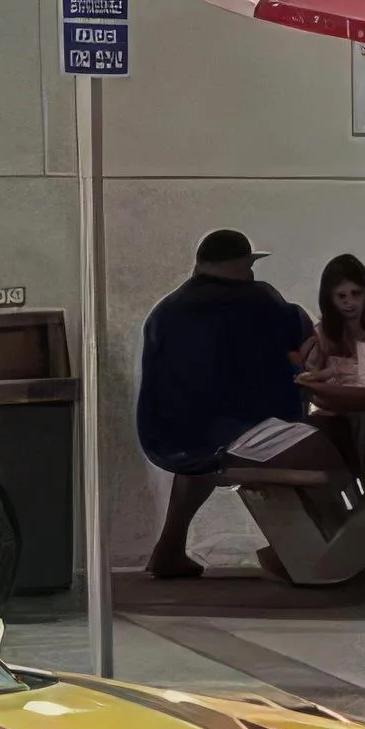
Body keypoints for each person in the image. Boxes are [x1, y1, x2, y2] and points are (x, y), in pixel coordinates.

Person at [136, 227, 324, 582]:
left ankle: (169, 549)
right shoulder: (258, 301)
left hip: (168, 436)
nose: (251, 272)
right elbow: (300, 340)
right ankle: (296, 551)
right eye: (248, 264)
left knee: (201, 460)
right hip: (232, 432)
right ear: (240, 265)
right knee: (326, 448)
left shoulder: (166, 310)